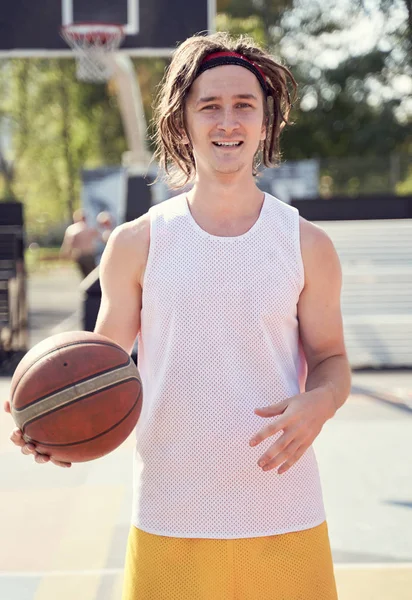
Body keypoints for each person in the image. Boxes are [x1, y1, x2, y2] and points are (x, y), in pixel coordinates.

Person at [6, 32, 352, 599]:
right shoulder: (137, 244)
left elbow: (333, 359)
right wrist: (54, 418)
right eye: (209, 106)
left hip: (283, 510)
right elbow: (102, 369)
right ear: (182, 122)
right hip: (171, 512)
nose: (228, 121)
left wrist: (321, 400)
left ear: (266, 123)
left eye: (244, 106)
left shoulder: (305, 244)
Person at [59, 208, 100, 278]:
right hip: (90, 254)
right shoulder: (90, 228)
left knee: (84, 275)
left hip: (79, 255)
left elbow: (68, 243)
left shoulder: (72, 229)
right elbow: (100, 238)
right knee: (91, 276)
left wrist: (64, 255)